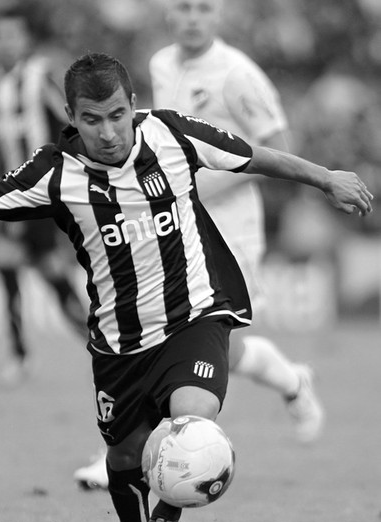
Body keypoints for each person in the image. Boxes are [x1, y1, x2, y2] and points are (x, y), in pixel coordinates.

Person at [0, 53, 372, 522]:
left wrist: (325, 178)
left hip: (195, 317)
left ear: (133, 106)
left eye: (117, 114)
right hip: (119, 342)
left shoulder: (171, 135)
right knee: (124, 456)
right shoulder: (53, 171)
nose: (108, 131)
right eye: (92, 119)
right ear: (71, 115)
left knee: (191, 427)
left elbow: (255, 156)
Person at [73, 0, 326, 494]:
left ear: (219, 16)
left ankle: (149, 448)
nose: (191, 17)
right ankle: (139, 445)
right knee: (177, 336)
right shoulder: (162, 61)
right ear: (168, 14)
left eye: (203, 8)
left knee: (205, 338)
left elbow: (280, 142)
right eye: (182, 7)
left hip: (229, 228)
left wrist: (199, 180)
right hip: (171, 223)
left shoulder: (237, 74)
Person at [0, 6, 86, 385]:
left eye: (13, 35)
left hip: (43, 188)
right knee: (16, 263)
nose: (6, 43)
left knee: (39, 265)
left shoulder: (40, 74)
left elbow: (71, 124)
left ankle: (81, 346)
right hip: (4, 189)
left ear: (26, 39)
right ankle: (31, 352)